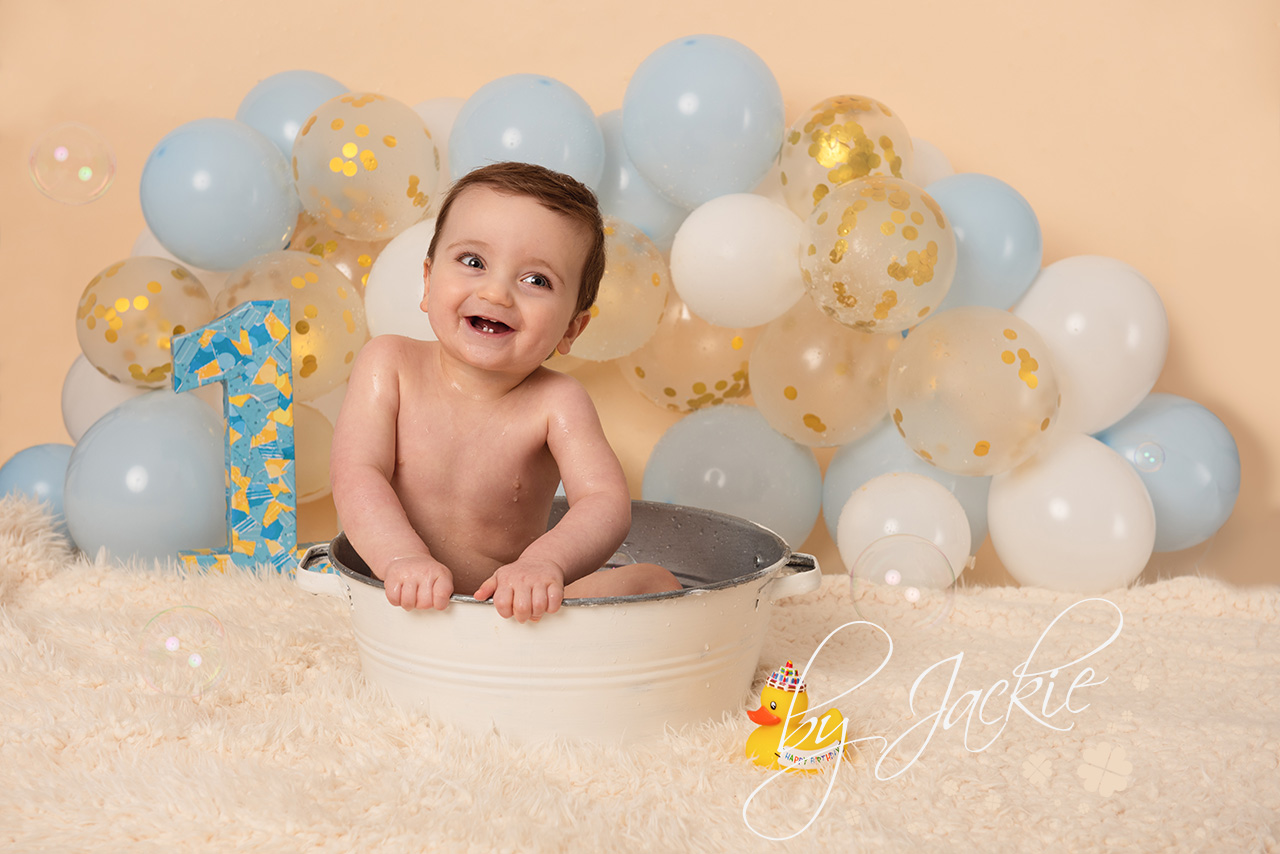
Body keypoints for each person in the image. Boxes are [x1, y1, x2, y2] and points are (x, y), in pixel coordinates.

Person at [330, 162, 682, 623]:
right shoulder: (389, 365)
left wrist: (543, 564)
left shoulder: (557, 402)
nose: (496, 293)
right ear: (427, 281)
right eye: (473, 262)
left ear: (572, 328)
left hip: (511, 611)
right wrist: (400, 559)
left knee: (654, 581)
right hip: (402, 600)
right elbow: (357, 473)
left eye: (536, 280)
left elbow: (604, 503)